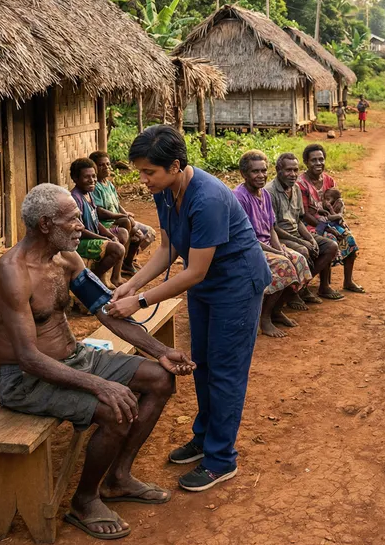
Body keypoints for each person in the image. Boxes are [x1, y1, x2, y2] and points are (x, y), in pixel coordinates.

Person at [0, 184, 194, 540]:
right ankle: (84, 501)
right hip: (26, 380)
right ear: (47, 224)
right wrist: (100, 384)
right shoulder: (12, 273)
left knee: (160, 379)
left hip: (75, 358)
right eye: (73, 220)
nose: (81, 226)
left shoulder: (67, 259)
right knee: (115, 410)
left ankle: (118, 477)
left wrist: (159, 351)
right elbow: (28, 358)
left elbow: (106, 311)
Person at [105, 125, 271, 493]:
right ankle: (205, 437)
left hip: (237, 285)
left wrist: (141, 300)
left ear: (176, 165)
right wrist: (131, 284)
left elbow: (194, 270)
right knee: (202, 364)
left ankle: (220, 459)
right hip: (207, 285)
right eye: (140, 171)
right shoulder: (165, 191)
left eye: (149, 172)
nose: (143, 179)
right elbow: (168, 249)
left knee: (226, 371)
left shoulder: (208, 197)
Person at [233, 150, 313, 338]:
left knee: (300, 260)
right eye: (255, 172)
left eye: (263, 171)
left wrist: (278, 248)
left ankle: (276, 310)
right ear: (244, 174)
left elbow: (270, 229)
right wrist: (277, 252)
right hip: (248, 249)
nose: (261, 176)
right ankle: (265, 318)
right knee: (284, 264)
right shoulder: (239, 197)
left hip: (267, 245)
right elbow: (247, 238)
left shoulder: (264, 195)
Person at [264, 153, 341, 301]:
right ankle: (292, 294)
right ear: (278, 170)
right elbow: (273, 228)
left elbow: (299, 220)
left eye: (295, 170)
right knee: (303, 250)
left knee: (330, 246)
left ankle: (300, 287)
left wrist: (311, 238)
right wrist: (302, 242)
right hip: (280, 237)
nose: (293, 174)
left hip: (295, 234)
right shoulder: (270, 192)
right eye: (288, 170)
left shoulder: (295, 188)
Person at [298, 144, 364, 294]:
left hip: (329, 221)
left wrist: (338, 221)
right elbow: (305, 214)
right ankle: (324, 286)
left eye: (321, 159)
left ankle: (348, 281)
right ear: (306, 162)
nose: (318, 163)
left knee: (349, 239)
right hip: (310, 225)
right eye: (313, 160)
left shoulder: (329, 181)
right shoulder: (301, 184)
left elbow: (336, 206)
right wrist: (328, 228)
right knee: (330, 241)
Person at [89, 150, 156, 276]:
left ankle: (127, 262)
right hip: (106, 223)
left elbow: (117, 204)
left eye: (108, 164)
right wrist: (122, 216)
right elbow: (98, 211)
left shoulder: (108, 184)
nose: (106, 167)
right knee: (128, 224)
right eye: (101, 165)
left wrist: (125, 213)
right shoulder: (95, 186)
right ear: (94, 167)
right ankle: (118, 271)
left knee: (143, 234)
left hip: (116, 219)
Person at [70, 158, 127, 289]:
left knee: (120, 235)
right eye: (86, 177)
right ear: (75, 178)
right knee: (117, 249)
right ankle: (92, 281)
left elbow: (96, 222)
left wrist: (110, 235)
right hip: (80, 243)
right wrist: (104, 238)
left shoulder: (89, 195)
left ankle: (106, 277)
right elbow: (81, 231)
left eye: (94, 176)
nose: (92, 180)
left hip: (92, 236)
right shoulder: (75, 199)